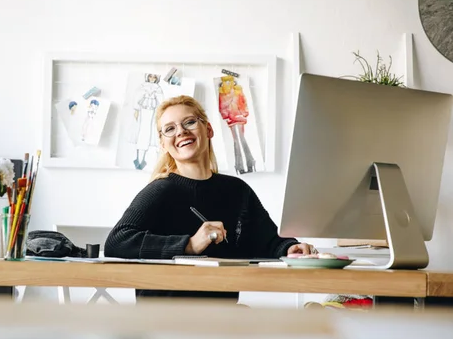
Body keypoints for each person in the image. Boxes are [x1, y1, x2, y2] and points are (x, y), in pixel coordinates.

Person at [105, 95, 314, 300]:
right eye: (170, 129)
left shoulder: (237, 190)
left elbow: (267, 241)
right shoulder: (160, 190)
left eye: (189, 122)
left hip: (221, 317)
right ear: (163, 144)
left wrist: (288, 248)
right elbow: (116, 242)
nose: (181, 131)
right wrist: (189, 245)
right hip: (165, 321)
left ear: (209, 129)